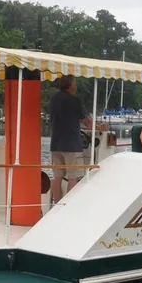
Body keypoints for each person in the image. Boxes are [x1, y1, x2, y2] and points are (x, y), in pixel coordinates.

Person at [48, 75, 107, 203]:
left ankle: (57, 203)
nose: (76, 85)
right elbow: (86, 121)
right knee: (73, 176)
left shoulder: (53, 99)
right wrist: (99, 127)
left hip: (55, 144)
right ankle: (69, 205)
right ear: (71, 85)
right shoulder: (74, 100)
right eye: (74, 83)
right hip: (71, 145)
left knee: (57, 176)